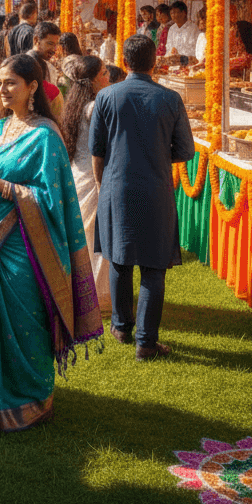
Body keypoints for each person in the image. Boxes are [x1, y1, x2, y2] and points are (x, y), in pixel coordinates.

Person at [0, 53, 102, 430]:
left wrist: (2, 186)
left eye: (11, 83)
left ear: (32, 87)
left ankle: (26, 400)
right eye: (0, 82)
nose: (2, 89)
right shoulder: (3, 128)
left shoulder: (45, 136)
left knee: (23, 319)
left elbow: (52, 199)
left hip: (24, 243)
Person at [89, 34, 195, 360]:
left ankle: (122, 328)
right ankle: (145, 342)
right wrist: (158, 154)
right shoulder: (170, 99)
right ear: (155, 62)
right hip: (154, 188)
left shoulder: (107, 97)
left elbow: (97, 150)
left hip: (116, 186)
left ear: (124, 61)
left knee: (119, 258)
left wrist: (101, 184)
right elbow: (186, 151)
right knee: (152, 267)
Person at [60, 54, 112, 313]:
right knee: (97, 238)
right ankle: (97, 296)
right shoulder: (94, 108)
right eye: (103, 73)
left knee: (84, 237)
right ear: (91, 81)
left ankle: (81, 290)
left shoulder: (75, 104)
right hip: (93, 177)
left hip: (77, 174)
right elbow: (98, 151)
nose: (108, 76)